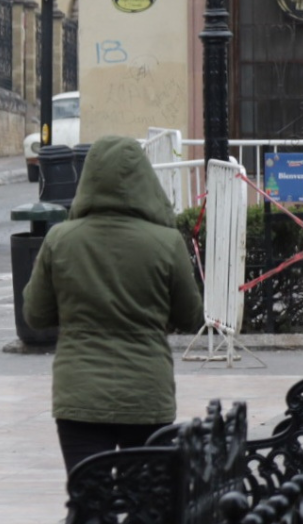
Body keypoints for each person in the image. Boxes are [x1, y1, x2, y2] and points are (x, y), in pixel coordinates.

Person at [23, 135, 204, 474]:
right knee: (147, 505)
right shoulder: (166, 243)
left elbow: (35, 315)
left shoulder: (60, 240)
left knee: (90, 502)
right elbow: (192, 316)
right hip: (147, 394)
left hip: (79, 397)